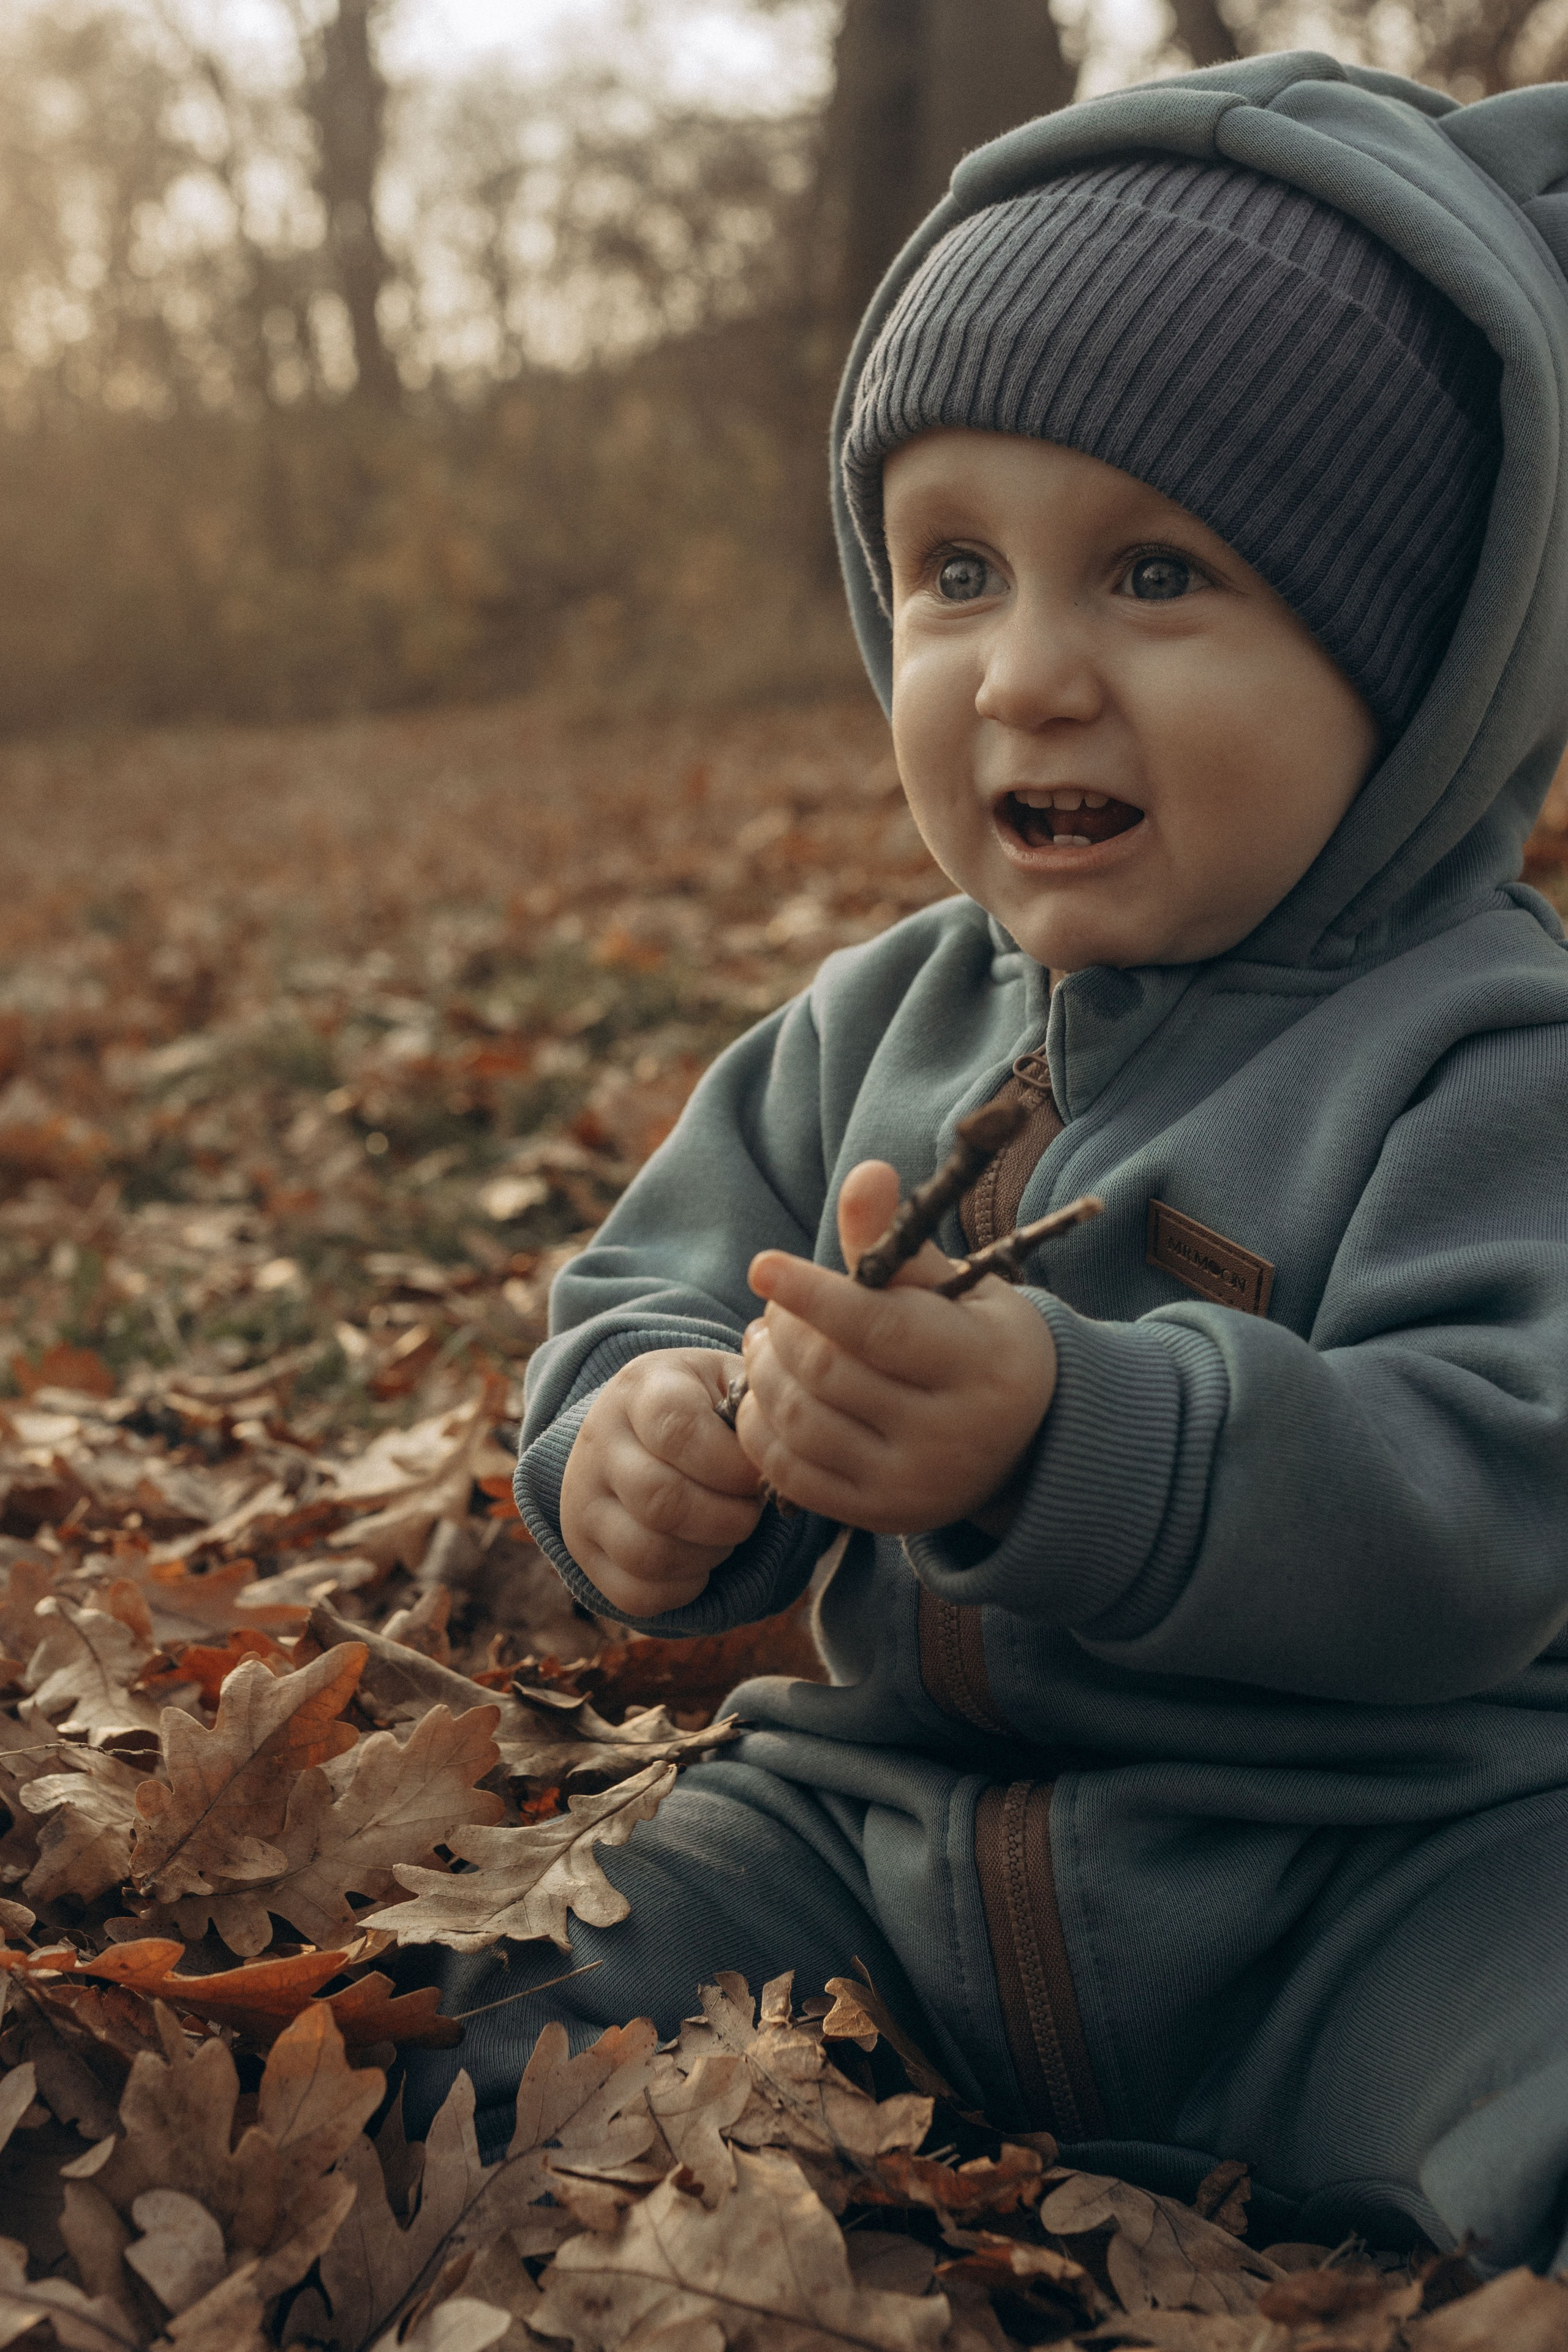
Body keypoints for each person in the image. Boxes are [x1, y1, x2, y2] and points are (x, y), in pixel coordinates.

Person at [401, 51, 1568, 2269]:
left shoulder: (1490, 1058)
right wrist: (644, 1444)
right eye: (955, 572)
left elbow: (1500, 1500)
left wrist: (1076, 1435)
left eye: (1155, 572)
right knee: (485, 2026)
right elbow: (651, 1290)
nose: (1025, 676)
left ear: (1413, 663)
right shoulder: (875, 1020)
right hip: (880, 1849)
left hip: (1377, 1876)